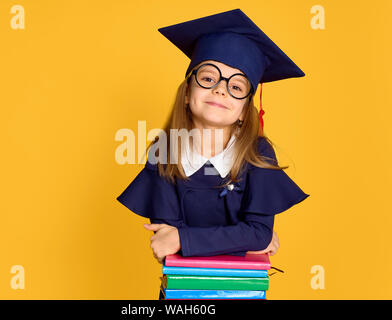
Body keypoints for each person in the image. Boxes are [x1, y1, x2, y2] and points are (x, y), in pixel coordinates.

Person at [116, 9, 310, 295]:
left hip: (242, 291)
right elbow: (166, 244)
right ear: (186, 93)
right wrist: (245, 240)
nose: (220, 90)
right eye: (208, 79)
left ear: (245, 110)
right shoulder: (165, 151)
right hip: (182, 294)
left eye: (236, 87)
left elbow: (257, 233)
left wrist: (184, 238)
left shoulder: (257, 152)